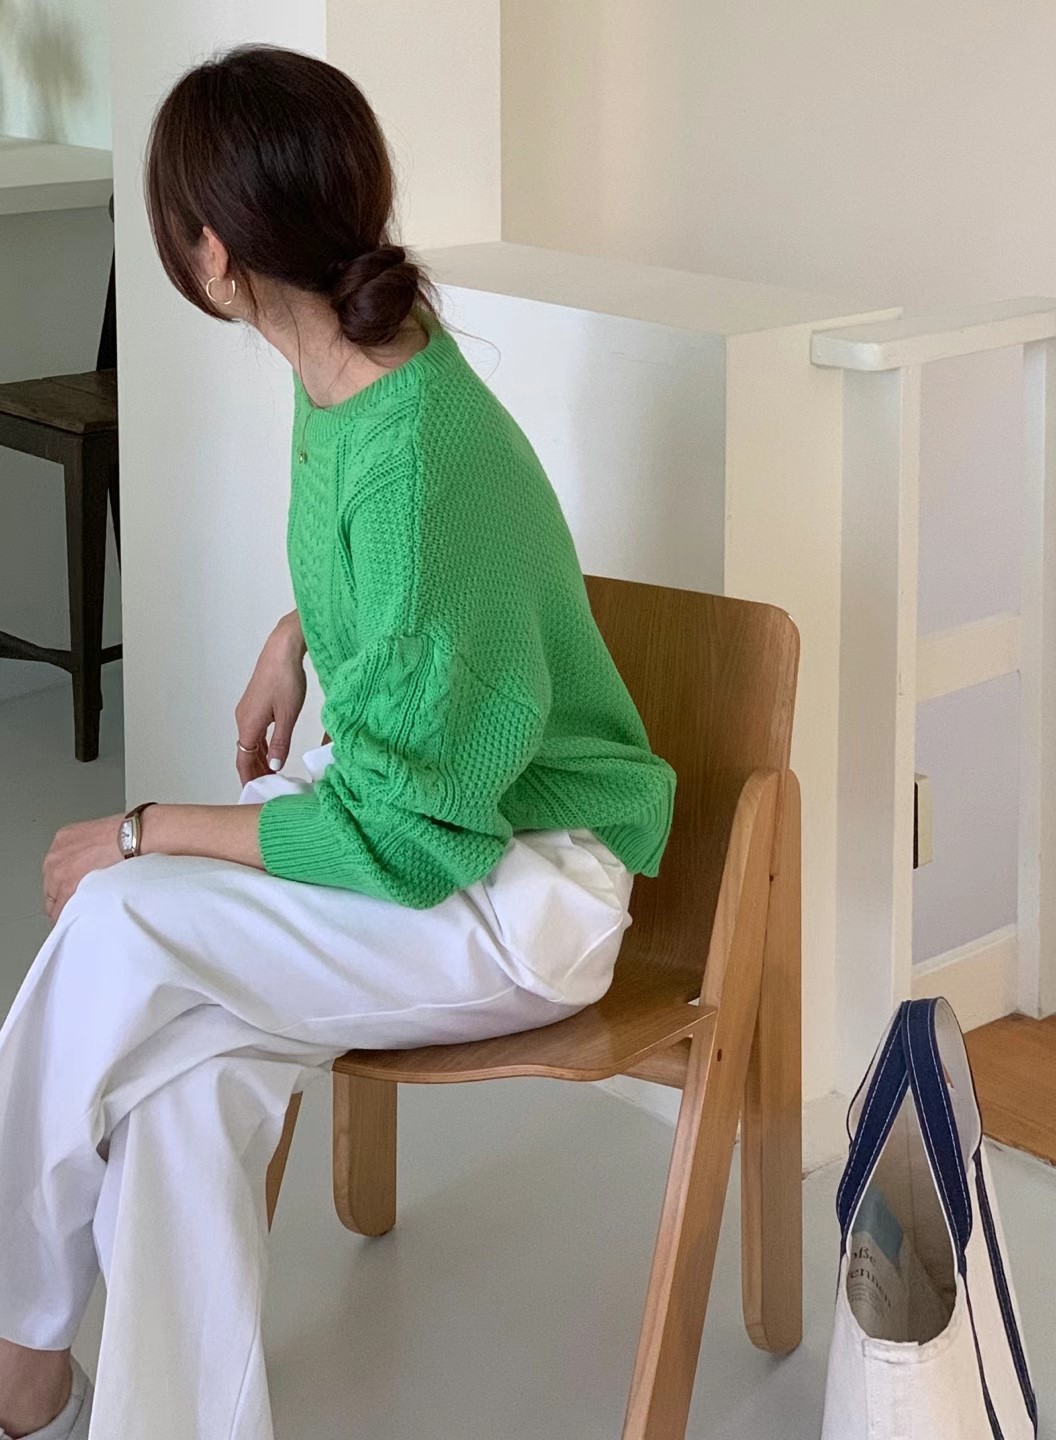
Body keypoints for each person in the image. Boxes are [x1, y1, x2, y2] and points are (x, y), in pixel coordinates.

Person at [0, 45, 675, 1440]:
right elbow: (401, 577)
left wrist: (144, 829)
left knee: (120, 921)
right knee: (185, 1080)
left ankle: (18, 1351)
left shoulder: (413, 449)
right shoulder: (349, 363)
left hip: (512, 886)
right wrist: (296, 631)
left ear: (212, 253)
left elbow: (407, 840)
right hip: (430, 820)